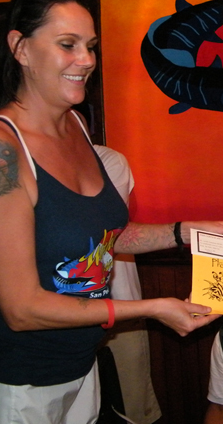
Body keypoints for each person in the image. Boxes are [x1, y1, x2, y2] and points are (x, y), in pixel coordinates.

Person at [0, 0, 223, 424]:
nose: (87, 60)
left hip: (81, 365)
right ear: (21, 48)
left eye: (90, 46)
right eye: (67, 45)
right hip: (19, 384)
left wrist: (185, 232)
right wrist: (150, 309)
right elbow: (22, 309)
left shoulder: (75, 124)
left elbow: (101, 238)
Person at [95, 145, 162, 424]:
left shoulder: (106, 159)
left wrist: (184, 232)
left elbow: (105, 230)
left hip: (120, 310)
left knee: (130, 406)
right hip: (56, 314)